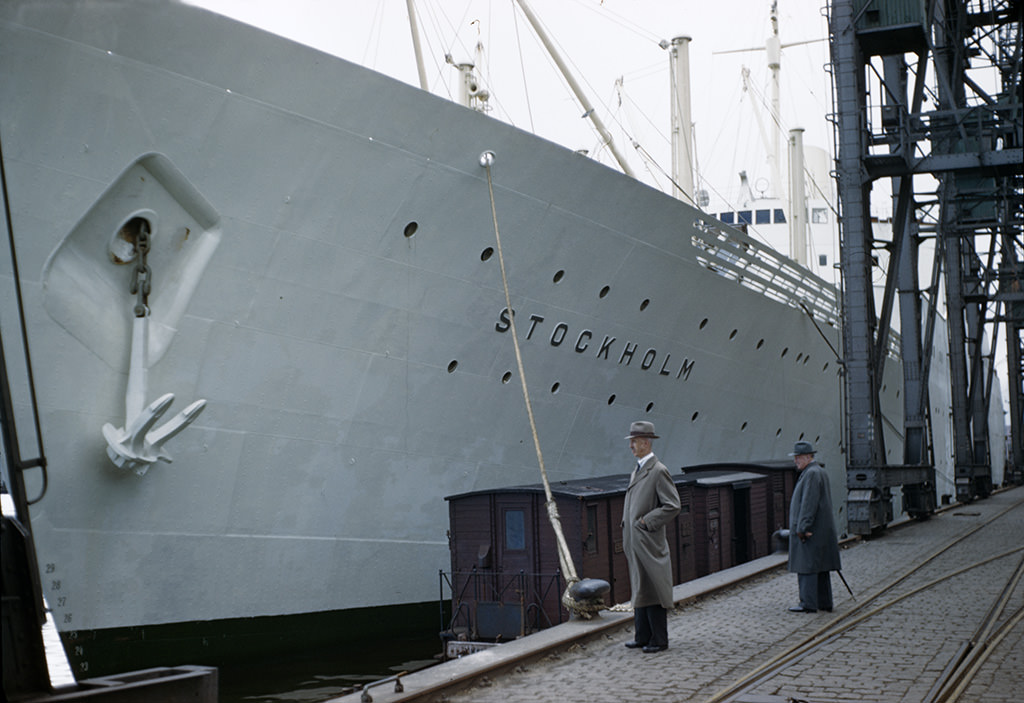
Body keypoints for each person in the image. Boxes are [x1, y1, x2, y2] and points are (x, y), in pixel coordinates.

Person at [621, 421, 681, 653]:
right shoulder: (638, 469)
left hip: (648, 541)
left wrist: (646, 522)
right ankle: (642, 636)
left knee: (653, 587)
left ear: (646, 443)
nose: (631, 446)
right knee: (640, 586)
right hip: (636, 541)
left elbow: (673, 505)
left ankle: (659, 639)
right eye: (631, 442)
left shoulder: (658, 471)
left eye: (634, 442)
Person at [787, 440, 842, 613]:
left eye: (798, 457)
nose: (795, 461)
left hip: (810, 531)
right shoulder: (819, 472)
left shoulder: (811, 474)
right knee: (821, 568)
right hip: (821, 530)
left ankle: (808, 603)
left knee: (807, 567)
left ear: (807, 457)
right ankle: (824, 602)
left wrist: (803, 528)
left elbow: (808, 504)